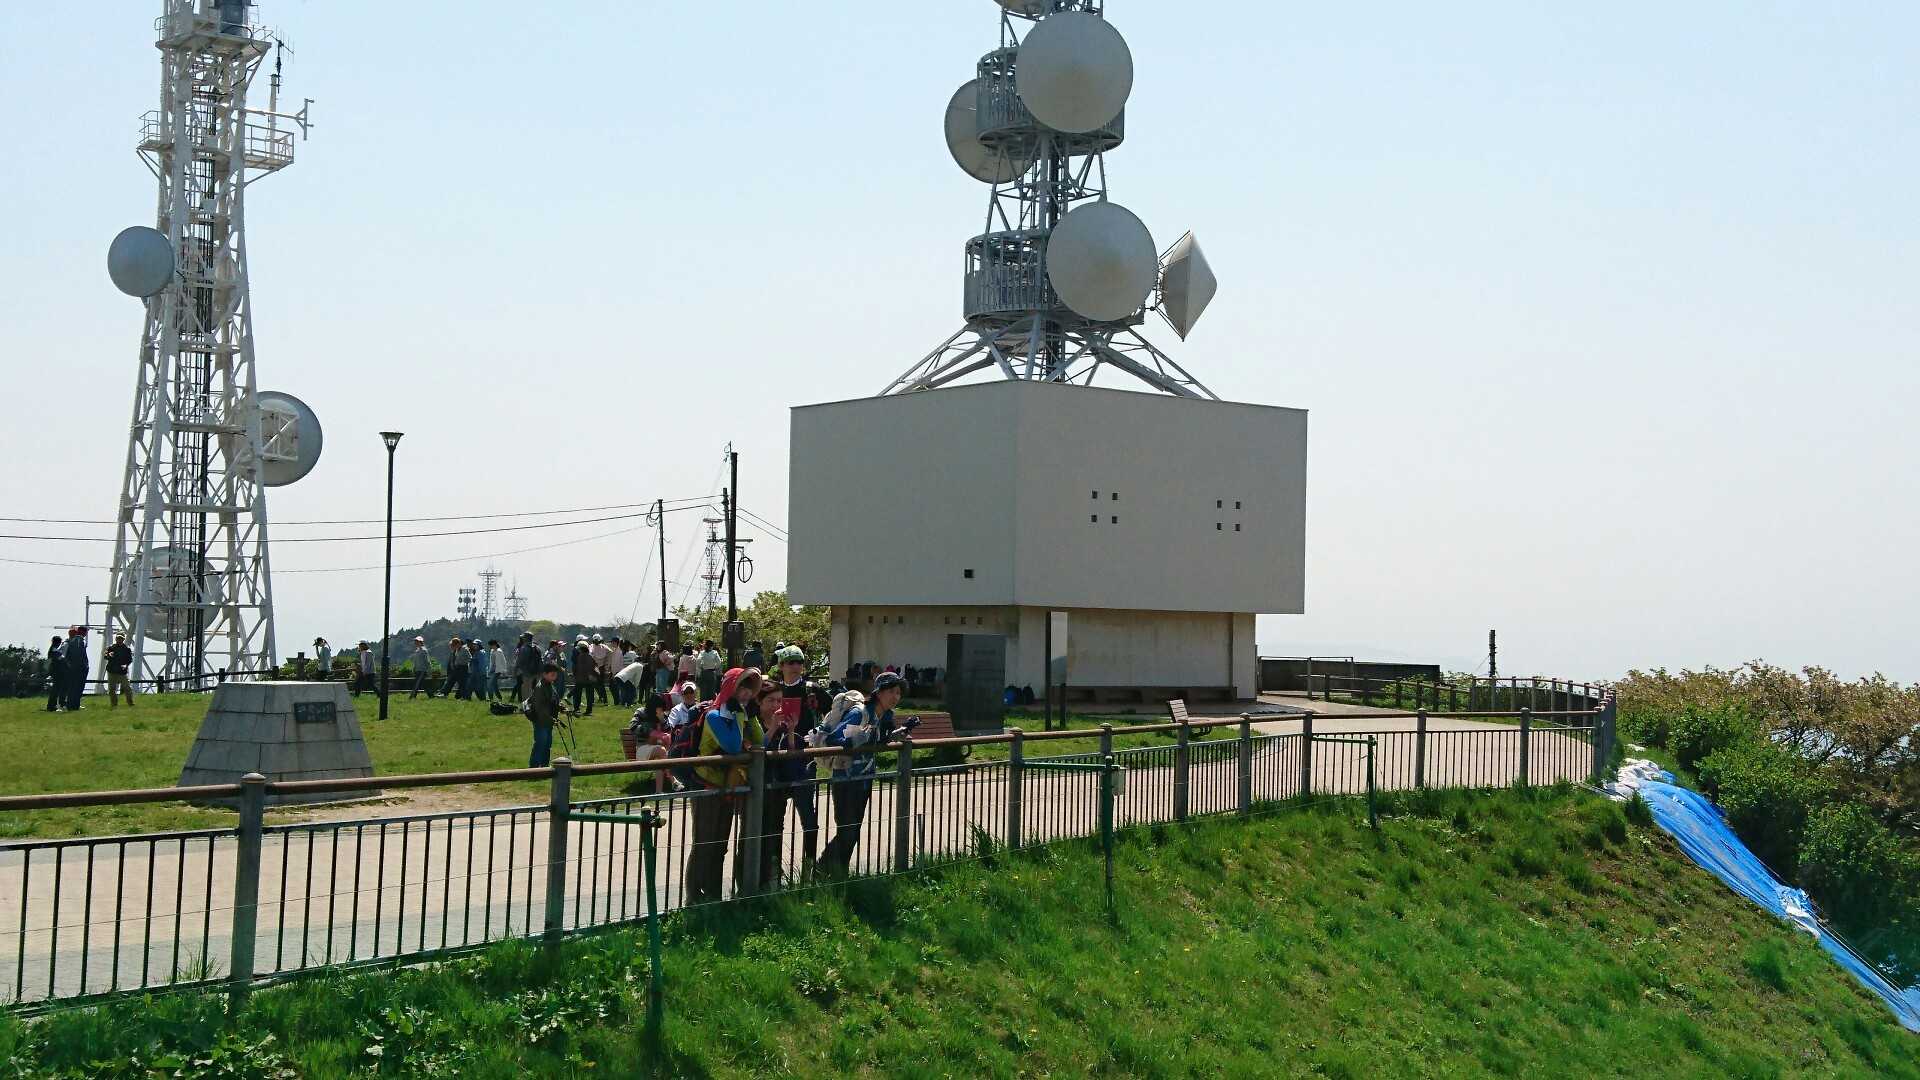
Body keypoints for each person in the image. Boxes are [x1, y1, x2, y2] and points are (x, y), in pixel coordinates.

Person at [820, 671, 916, 875]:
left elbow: (877, 740)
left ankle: (836, 873)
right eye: (891, 691)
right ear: (879, 692)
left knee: (853, 830)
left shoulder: (883, 716)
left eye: (898, 693)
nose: (895, 697)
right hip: (846, 778)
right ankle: (824, 869)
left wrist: (903, 731)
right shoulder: (860, 713)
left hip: (863, 779)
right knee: (847, 830)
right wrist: (856, 740)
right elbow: (833, 739)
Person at [686, 668, 764, 903]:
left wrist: (750, 716)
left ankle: (713, 896)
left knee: (720, 844)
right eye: (742, 687)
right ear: (731, 688)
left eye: (750, 689)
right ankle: (694, 897)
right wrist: (738, 715)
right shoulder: (713, 715)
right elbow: (732, 745)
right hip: (707, 786)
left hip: (727, 786)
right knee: (704, 843)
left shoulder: (739, 714)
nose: (746, 693)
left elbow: (759, 741)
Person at [760, 649, 821, 884]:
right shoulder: (773, 689)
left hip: (803, 760)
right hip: (776, 763)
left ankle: (809, 870)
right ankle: (774, 873)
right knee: (775, 821)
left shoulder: (812, 689)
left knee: (809, 819)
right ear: (781, 665)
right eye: (791, 662)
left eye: (800, 662)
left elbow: (828, 713)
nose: (796, 666)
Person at [628, 692, 674, 793]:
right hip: (643, 749)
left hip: (660, 751)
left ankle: (658, 792)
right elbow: (633, 727)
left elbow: (669, 731)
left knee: (659, 759)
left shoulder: (662, 715)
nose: (661, 710)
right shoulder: (641, 712)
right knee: (661, 751)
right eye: (659, 708)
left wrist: (662, 720)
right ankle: (673, 780)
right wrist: (652, 732)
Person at [525, 662, 564, 768]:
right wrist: (551, 719)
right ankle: (534, 768)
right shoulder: (539, 688)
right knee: (540, 744)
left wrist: (561, 707)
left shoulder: (550, 685)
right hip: (541, 721)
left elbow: (554, 700)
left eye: (555, 675)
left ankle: (545, 766)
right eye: (552, 675)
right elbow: (540, 709)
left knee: (547, 744)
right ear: (544, 674)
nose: (554, 677)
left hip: (549, 721)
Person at [62, 627, 89, 711]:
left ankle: (71, 705)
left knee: (72, 686)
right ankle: (74, 705)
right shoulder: (80, 641)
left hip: (73, 667)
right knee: (79, 687)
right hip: (80, 667)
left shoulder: (71, 641)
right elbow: (80, 654)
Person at [104, 633, 135, 707]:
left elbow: (130, 659)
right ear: (116, 639)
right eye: (118, 638)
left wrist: (126, 665)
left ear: (123, 639)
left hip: (122, 672)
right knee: (112, 689)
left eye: (121, 638)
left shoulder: (127, 649)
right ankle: (114, 704)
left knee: (127, 688)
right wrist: (109, 655)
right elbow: (105, 656)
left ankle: (130, 702)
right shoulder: (111, 648)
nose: (119, 640)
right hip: (112, 671)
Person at [569, 637, 596, 716]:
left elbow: (578, 668)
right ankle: (589, 711)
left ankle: (577, 709)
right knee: (589, 696)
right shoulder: (591, 656)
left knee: (577, 695)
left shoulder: (580, 657)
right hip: (589, 679)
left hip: (580, 679)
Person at [514, 633, 541, 699]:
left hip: (527, 672)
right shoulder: (537, 648)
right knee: (535, 689)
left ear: (525, 639)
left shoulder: (524, 648)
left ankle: (526, 703)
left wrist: (516, 670)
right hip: (537, 671)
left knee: (526, 689)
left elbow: (519, 661)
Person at [44, 635, 64, 713]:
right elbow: (59, 659)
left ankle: (52, 705)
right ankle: (51, 706)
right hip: (56, 671)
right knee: (56, 689)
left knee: (55, 689)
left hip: (54, 671)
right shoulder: (54, 650)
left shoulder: (52, 649)